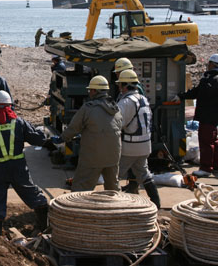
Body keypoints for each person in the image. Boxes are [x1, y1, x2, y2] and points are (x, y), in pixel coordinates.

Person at [0, 90, 49, 235]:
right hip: (18, 168)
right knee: (31, 193)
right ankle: (44, 225)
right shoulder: (19, 123)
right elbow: (37, 139)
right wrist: (46, 137)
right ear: (10, 106)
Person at [61, 75, 122, 191]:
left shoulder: (88, 108)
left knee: (81, 188)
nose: (89, 92)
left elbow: (73, 128)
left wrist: (62, 138)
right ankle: (115, 207)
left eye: (90, 90)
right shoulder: (116, 108)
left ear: (94, 91)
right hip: (113, 156)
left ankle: (78, 208)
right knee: (113, 189)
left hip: (93, 156)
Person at [175, 54, 218, 177]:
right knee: (213, 141)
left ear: (213, 64)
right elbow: (199, 92)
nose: (207, 65)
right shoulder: (216, 78)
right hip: (212, 116)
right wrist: (182, 96)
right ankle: (215, 164)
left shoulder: (212, 80)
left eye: (209, 63)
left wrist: (181, 96)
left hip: (208, 116)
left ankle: (206, 168)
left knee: (205, 142)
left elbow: (200, 93)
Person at [116, 70, 160, 208]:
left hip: (130, 146)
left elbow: (118, 123)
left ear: (124, 85)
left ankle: (112, 206)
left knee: (114, 176)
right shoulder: (143, 99)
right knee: (144, 173)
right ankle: (156, 203)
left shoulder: (126, 102)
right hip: (145, 145)